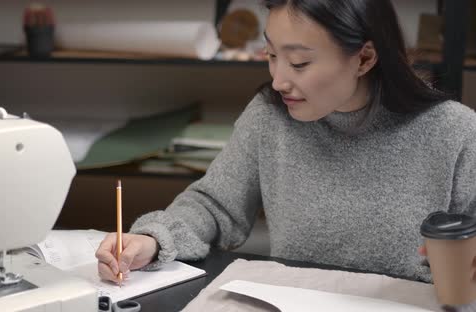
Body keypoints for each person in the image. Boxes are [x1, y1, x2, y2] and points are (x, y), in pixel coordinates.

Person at [96, 0, 476, 298]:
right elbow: (214, 205)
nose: (278, 81)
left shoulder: (453, 131)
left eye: (299, 62)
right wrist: (154, 239)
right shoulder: (270, 117)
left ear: (364, 58)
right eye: (272, 55)